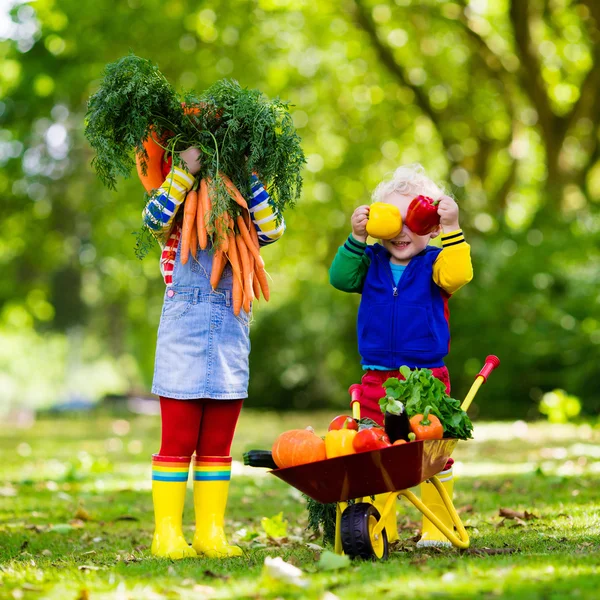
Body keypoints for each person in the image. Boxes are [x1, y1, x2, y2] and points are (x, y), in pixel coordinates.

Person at [143, 147, 284, 559]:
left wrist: (248, 174)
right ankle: (165, 534)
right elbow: (152, 217)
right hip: (183, 334)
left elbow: (275, 229)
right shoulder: (171, 217)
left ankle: (210, 533)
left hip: (229, 336)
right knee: (178, 440)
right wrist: (187, 170)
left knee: (217, 444)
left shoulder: (244, 225)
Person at [329, 163, 473, 547]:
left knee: (432, 453)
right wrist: (357, 238)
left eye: (415, 219)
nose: (403, 231)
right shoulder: (371, 260)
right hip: (377, 377)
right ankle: (381, 528)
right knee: (374, 450)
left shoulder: (435, 263)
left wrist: (453, 228)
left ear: (431, 226)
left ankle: (436, 528)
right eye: (394, 219)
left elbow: (459, 275)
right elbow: (340, 278)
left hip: (425, 379)